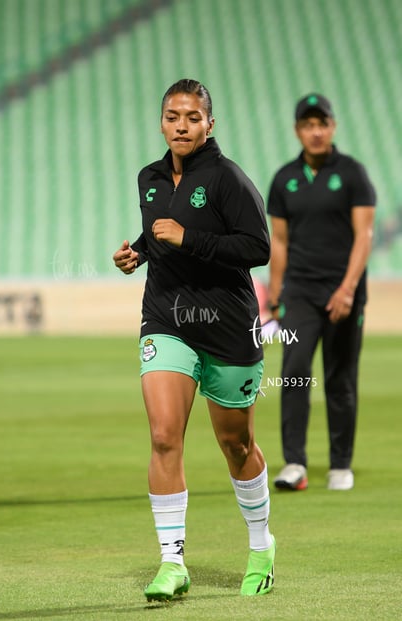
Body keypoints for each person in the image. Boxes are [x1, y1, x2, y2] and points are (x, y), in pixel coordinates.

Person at [113, 79, 275, 601]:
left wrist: (191, 240)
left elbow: (258, 247)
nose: (181, 125)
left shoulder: (228, 178)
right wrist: (137, 252)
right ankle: (172, 562)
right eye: (171, 116)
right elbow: (162, 229)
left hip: (227, 325)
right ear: (161, 122)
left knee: (237, 443)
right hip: (166, 318)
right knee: (164, 435)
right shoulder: (150, 177)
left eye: (191, 117)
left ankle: (261, 544)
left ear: (210, 123)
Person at [267, 93, 376, 492]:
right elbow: (279, 241)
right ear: (298, 130)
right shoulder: (284, 178)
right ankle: (294, 463)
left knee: (340, 376)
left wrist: (347, 289)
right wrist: (275, 294)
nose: (315, 131)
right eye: (307, 125)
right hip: (299, 292)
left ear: (332, 127)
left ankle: (340, 465)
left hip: (343, 291)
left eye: (322, 123)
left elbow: (364, 234)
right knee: (294, 372)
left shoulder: (352, 174)